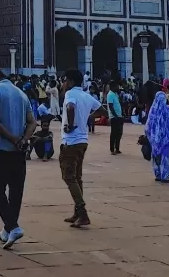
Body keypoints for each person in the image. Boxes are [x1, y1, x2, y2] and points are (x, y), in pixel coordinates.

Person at [0, 67, 37, 250]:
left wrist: (12, 138)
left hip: (0, 151)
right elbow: (32, 122)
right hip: (19, 153)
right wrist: (23, 140)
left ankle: (13, 227)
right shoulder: (21, 94)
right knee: (15, 191)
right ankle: (7, 229)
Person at [59, 68, 103, 228]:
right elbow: (102, 110)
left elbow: (70, 108)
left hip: (71, 140)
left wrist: (70, 125)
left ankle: (82, 213)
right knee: (77, 177)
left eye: (64, 80)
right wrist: (87, 117)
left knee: (69, 177)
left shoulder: (70, 94)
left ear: (70, 82)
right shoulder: (86, 95)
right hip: (83, 140)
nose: (63, 84)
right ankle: (78, 212)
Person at [145, 92, 169, 184]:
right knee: (166, 156)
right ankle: (165, 176)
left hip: (155, 138)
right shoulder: (168, 110)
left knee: (156, 155)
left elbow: (147, 126)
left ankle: (158, 174)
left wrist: (150, 136)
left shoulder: (153, 110)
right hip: (166, 138)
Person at [105, 82, 124, 155]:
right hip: (114, 117)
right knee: (114, 133)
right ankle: (112, 149)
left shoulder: (115, 94)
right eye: (117, 86)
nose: (118, 88)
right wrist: (115, 116)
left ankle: (117, 148)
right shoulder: (110, 95)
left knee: (119, 133)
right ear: (113, 87)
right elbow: (111, 106)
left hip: (119, 116)